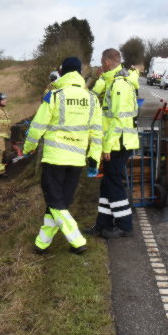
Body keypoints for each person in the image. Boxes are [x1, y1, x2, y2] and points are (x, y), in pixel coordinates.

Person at [22, 57, 103, 254]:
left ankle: (77, 241)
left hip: (55, 158)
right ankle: (42, 243)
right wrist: (94, 159)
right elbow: (97, 133)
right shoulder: (92, 98)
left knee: (55, 201)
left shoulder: (54, 95)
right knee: (60, 203)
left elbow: (37, 126)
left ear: (62, 72)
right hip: (76, 160)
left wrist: (28, 148)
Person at [87, 48, 140, 239]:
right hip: (117, 141)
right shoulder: (114, 81)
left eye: (102, 62)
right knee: (107, 183)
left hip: (119, 143)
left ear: (108, 62)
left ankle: (125, 225)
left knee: (114, 183)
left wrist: (106, 146)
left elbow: (118, 120)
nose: (101, 65)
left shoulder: (119, 85)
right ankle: (103, 224)